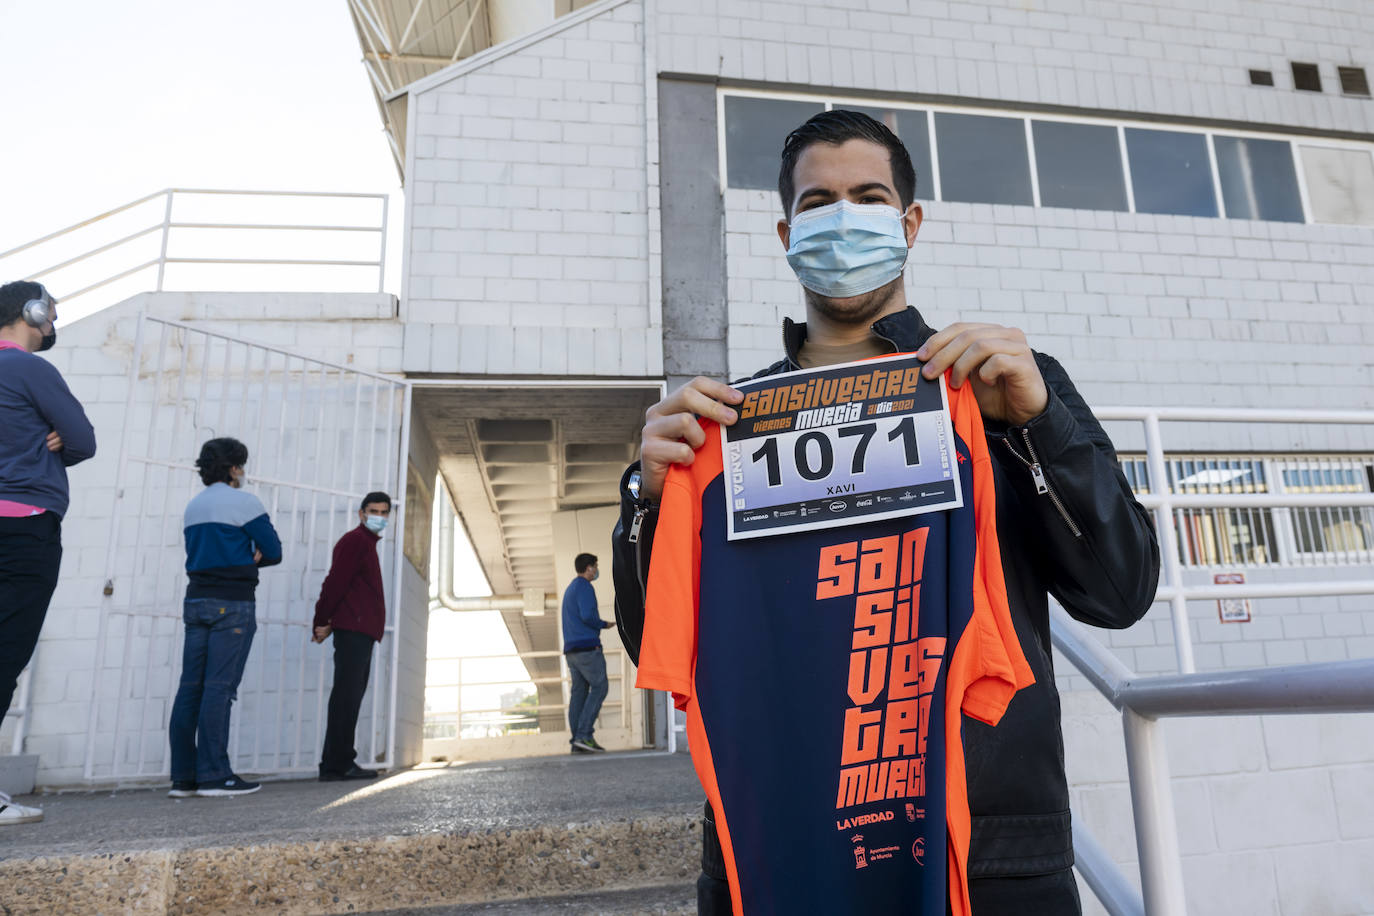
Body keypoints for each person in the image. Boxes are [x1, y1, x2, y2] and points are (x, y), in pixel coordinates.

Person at [611, 111, 1159, 914]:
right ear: (784, 230)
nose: (841, 218)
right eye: (817, 201)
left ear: (908, 223)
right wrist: (646, 503)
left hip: (989, 854)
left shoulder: (1000, 387)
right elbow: (657, 643)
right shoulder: (723, 428)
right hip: (776, 849)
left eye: (867, 197)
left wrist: (1037, 426)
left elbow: (1122, 589)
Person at [0, 280, 96, 825]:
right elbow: (82, 439)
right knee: (5, 653)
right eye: (51, 314)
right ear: (31, 313)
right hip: (23, 527)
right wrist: (55, 434)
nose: (53, 324)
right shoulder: (31, 370)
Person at [169, 437, 282, 798]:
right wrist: (252, 556)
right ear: (234, 468)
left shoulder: (193, 506)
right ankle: (216, 776)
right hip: (232, 603)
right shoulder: (244, 502)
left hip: (196, 601)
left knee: (191, 688)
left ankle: (184, 778)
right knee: (219, 689)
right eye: (241, 466)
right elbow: (275, 551)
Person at [312, 491, 392, 781]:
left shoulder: (366, 544)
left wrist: (330, 622)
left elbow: (351, 590)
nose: (380, 517)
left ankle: (336, 763)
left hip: (359, 629)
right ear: (361, 513)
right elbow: (335, 582)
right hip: (355, 631)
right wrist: (321, 620)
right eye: (374, 511)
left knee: (350, 696)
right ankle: (337, 763)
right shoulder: (356, 541)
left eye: (385, 513)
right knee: (347, 696)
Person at [562, 552, 614, 754]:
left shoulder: (570, 589)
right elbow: (587, 615)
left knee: (579, 693)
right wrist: (604, 624)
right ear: (589, 568)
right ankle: (584, 735)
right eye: (595, 566)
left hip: (572, 650)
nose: (596, 570)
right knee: (600, 687)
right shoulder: (584, 587)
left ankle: (577, 740)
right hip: (587, 648)